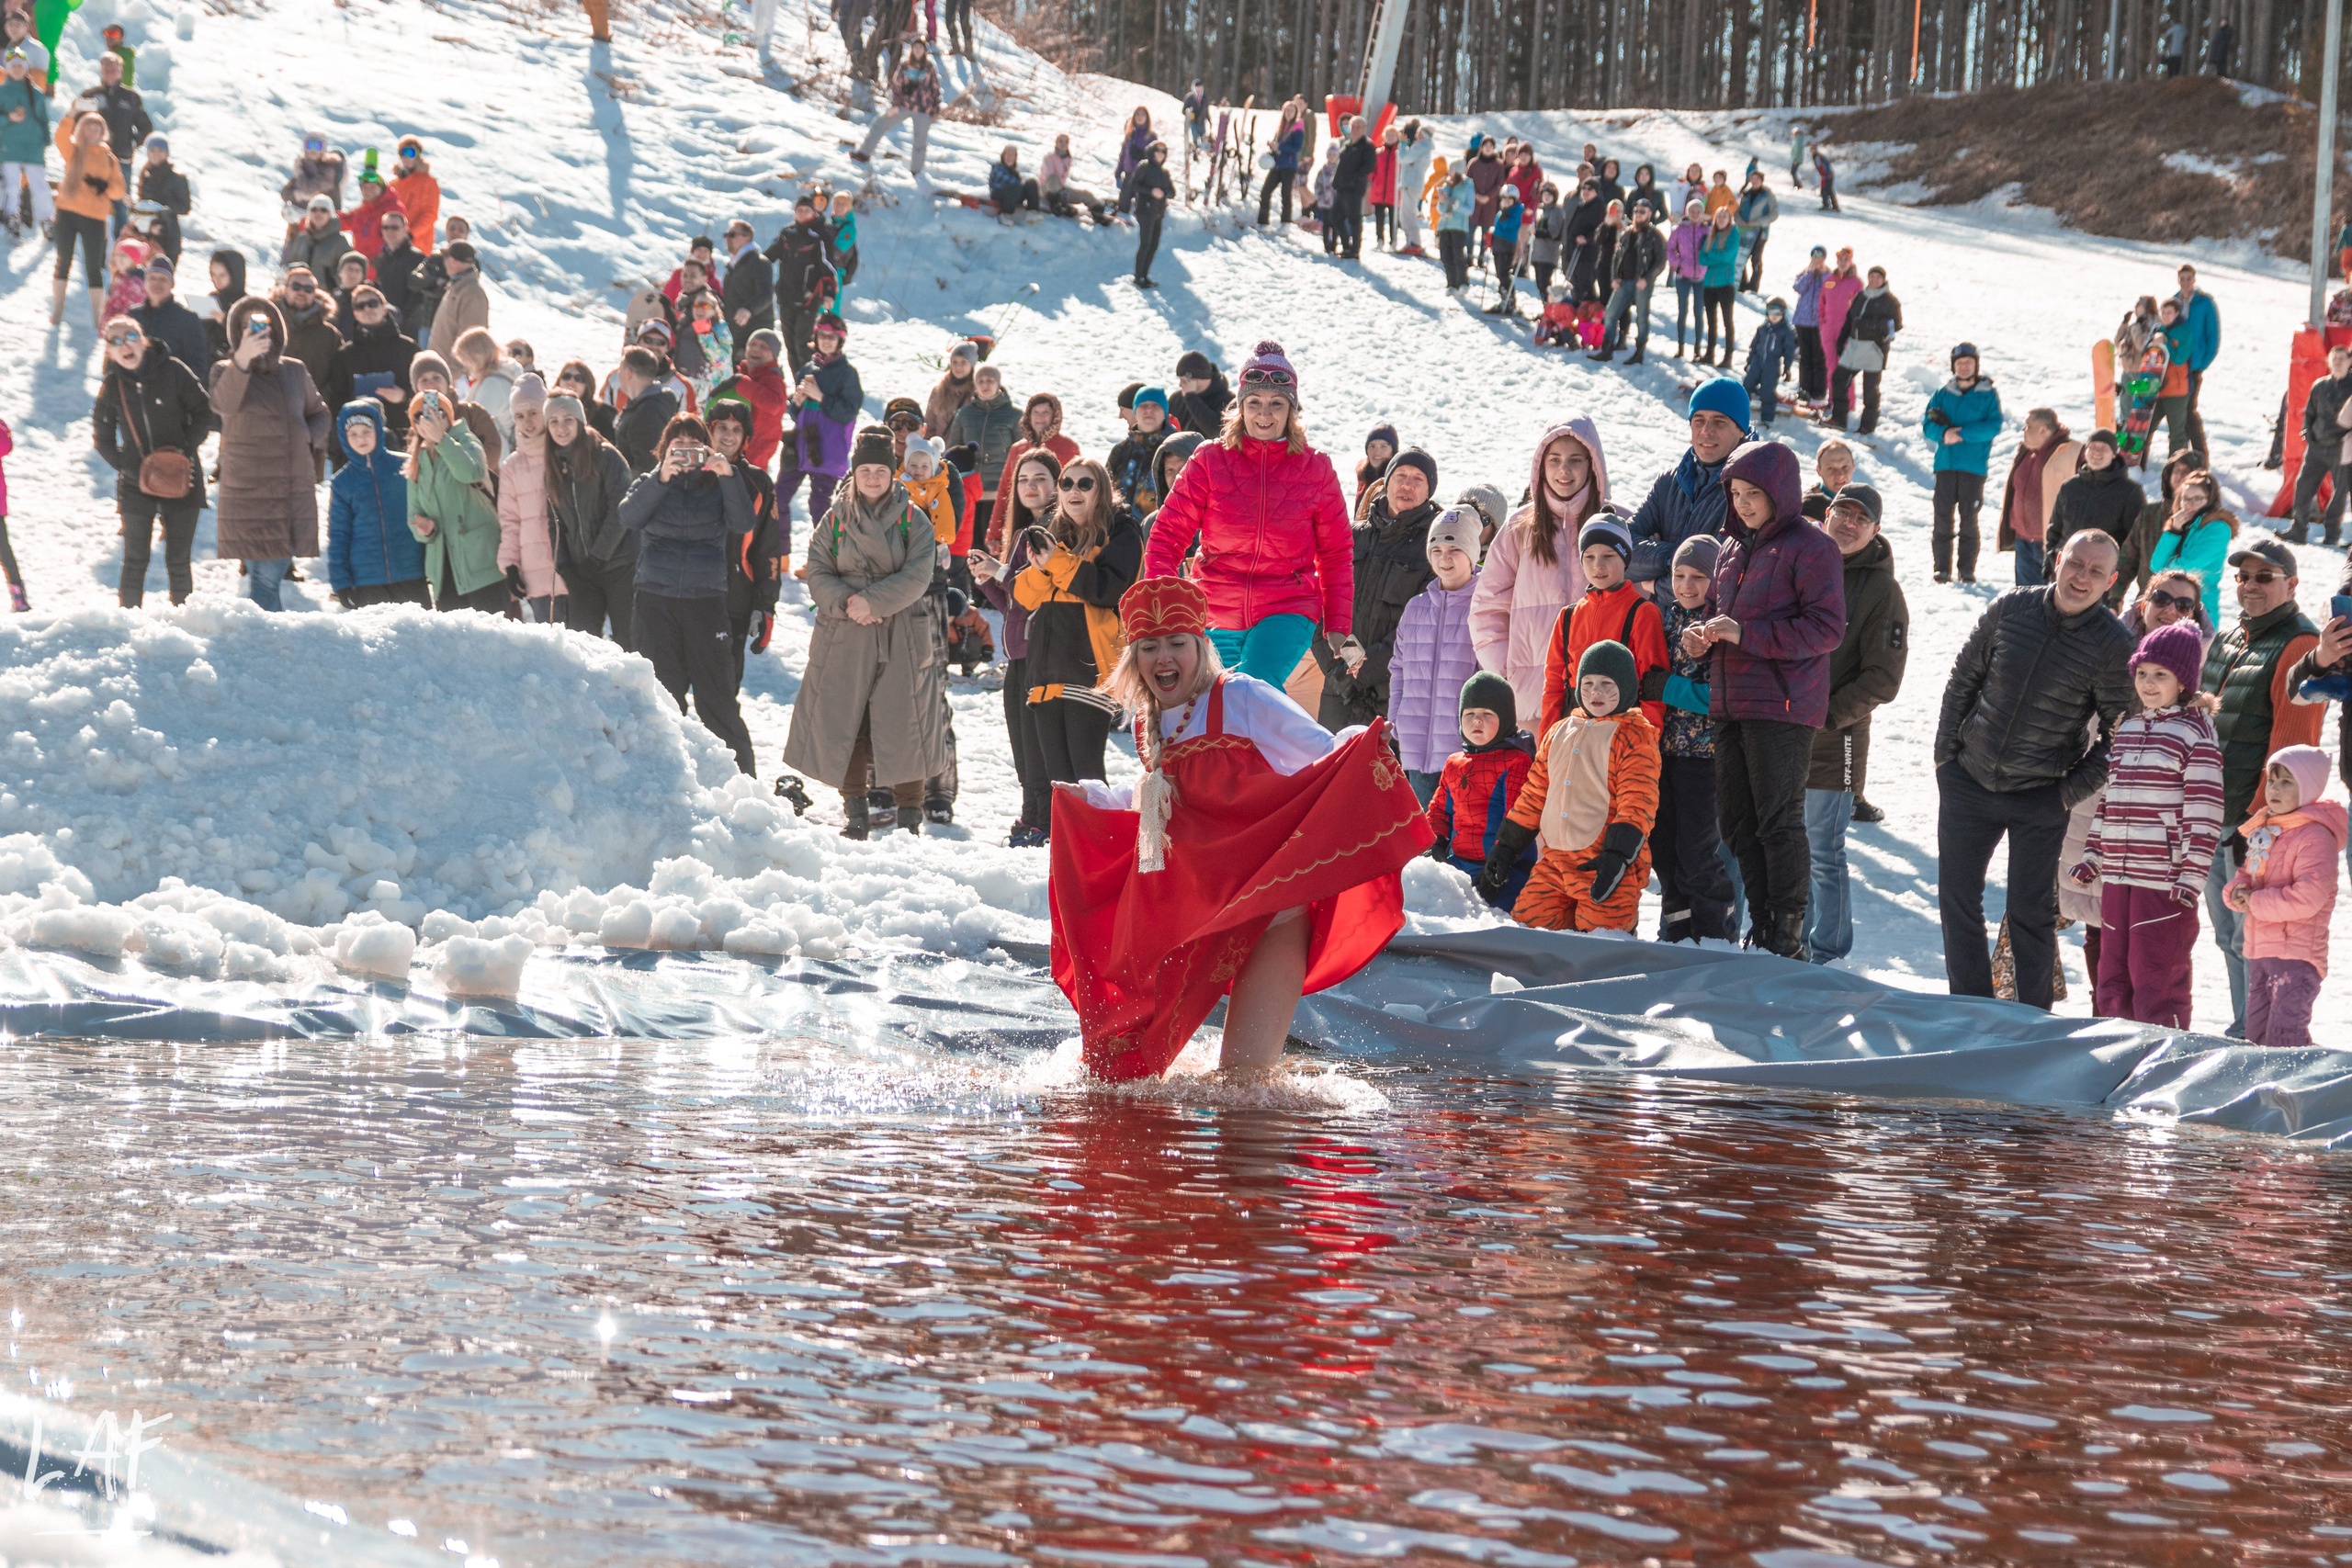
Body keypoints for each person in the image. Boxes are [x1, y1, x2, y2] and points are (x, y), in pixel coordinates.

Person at [1047, 574, 1431, 1083]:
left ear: (1200, 646)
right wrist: (1094, 799)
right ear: (1134, 659)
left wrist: (1361, 743)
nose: (1164, 658)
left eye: (1177, 644)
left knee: (1244, 1085)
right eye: (1150, 647)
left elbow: (1322, 755)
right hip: (1206, 917)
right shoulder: (1149, 723)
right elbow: (1161, 799)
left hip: (1271, 911)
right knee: (1125, 1071)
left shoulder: (1243, 697)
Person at [1936, 531, 2136, 1009]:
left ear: (2110, 581)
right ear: (2057, 560)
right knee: (1957, 901)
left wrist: (2065, 794)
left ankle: (2032, 1023)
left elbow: (2119, 736)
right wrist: (1947, 757)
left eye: (2095, 571)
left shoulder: (2114, 644)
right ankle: (1970, 1008)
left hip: (2042, 795)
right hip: (1970, 779)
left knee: (2029, 912)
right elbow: (1964, 679)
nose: (2081, 577)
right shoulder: (2011, 608)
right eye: (2075, 563)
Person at [1680, 440, 1846, 957]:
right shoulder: (1730, 549)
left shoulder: (1812, 546)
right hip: (1731, 702)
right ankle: (1765, 922)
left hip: (1784, 705)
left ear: (1781, 492)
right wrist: (1702, 637)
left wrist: (1743, 634)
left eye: (1754, 493)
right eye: (1735, 492)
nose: (1744, 503)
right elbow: (1717, 615)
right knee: (1734, 821)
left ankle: (1787, 933)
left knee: (1777, 819)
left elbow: (1825, 630)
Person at [1139, 341, 1351, 686]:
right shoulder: (1210, 460)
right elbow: (1167, 535)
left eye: (1276, 404)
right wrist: (1165, 600)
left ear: (1291, 411)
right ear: (1240, 407)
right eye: (1254, 403)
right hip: (1214, 606)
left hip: (1287, 605)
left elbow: (1336, 552)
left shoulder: (1316, 469)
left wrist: (1339, 623)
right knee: (1217, 704)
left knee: (1255, 685)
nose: (1264, 414)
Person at [786, 426, 952, 835]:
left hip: (899, 629)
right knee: (848, 721)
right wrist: (847, 602)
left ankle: (910, 818)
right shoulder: (836, 518)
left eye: (881, 470)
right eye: (866, 470)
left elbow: (919, 574)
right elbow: (818, 567)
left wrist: (872, 602)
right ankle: (855, 814)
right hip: (845, 629)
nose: (874, 477)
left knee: (906, 720)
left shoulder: (913, 519)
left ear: (893, 474)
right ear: (855, 473)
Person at [2064, 620, 2223, 1029]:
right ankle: (2117, 1054)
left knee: (2156, 977)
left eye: (2161, 675)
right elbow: (2109, 803)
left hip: (2163, 881)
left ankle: (2162, 1060)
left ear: (2184, 680)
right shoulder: (2129, 729)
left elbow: (2204, 810)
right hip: (2118, 875)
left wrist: (2191, 876)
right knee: (2112, 975)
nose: (2149, 684)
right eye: (2142, 673)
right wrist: (2094, 854)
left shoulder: (2194, 733)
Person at [2198, 536, 2324, 1035]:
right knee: (2228, 935)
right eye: (2243, 577)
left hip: (2250, 824)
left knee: (2255, 938)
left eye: (2264, 577)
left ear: (2291, 585)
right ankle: (2244, 1025)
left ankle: (2261, 1036)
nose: (2250, 586)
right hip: (2211, 812)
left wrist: (2258, 826)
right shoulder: (2232, 637)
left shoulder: (2299, 644)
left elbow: (2291, 749)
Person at [1480, 639, 1659, 932]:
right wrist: (1506, 846)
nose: (1595, 692)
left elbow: (1637, 801)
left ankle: (1617, 948)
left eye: (1606, 683)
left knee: (1602, 938)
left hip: (1605, 864)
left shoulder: (1634, 737)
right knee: (1529, 925)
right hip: (1554, 864)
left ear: (1626, 686)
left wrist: (1617, 856)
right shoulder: (1560, 731)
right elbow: (1534, 795)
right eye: (1587, 682)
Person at [616, 416, 760, 775]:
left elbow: (744, 523)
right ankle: (661, 778)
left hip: (705, 601)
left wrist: (727, 476)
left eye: (693, 447)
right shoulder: (650, 481)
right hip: (654, 600)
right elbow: (629, 517)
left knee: (718, 698)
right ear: (664, 451)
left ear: (706, 450)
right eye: (676, 447)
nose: (685, 455)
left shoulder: (719, 484)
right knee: (662, 697)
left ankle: (745, 784)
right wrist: (661, 478)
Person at [1803, 484, 1907, 964]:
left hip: (1835, 740)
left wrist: (1823, 715)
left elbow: (1882, 680)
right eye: (1842, 513)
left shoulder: (1882, 590)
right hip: (1782, 732)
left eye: (1860, 519)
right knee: (1788, 844)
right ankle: (1791, 945)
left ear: (1875, 531)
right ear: (1826, 514)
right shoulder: (1802, 565)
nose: (1848, 524)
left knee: (1824, 850)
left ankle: (1828, 952)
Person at [1011, 455, 1140, 796]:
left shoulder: (1122, 530)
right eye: (1066, 483)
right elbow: (1024, 596)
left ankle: (1104, 844)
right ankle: (1069, 847)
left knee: (1087, 775)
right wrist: (1042, 565)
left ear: (1103, 490)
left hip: (1090, 669)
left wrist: (1057, 561)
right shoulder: (1056, 535)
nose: (1074, 490)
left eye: (1085, 483)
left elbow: (1107, 589)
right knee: (1061, 782)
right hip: (1046, 672)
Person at [1471, 418, 1606, 719]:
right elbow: (1486, 609)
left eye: (1575, 460)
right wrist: (1508, 675)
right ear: (1540, 465)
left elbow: (1641, 606)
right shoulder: (1519, 527)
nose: (1564, 470)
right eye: (1554, 460)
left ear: (1593, 464)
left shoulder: (1614, 521)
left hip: (1604, 701)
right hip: (1533, 704)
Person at [210, 296, 328, 611]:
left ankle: (263, 643)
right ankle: (266, 644)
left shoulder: (294, 371)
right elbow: (224, 406)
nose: (257, 331)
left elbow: (320, 413)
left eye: (263, 324)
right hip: (249, 493)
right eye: (248, 326)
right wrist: (242, 361)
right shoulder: (225, 370)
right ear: (237, 331)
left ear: (277, 329)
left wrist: (307, 439)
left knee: (268, 579)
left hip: (289, 490)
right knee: (263, 579)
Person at [2224, 745, 2342, 1047]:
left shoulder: (2316, 837)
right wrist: (2237, 892)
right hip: (2262, 949)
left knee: (2285, 1034)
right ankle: (2262, 1093)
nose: (2274, 789)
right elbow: (2248, 874)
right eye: (2272, 781)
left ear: (2308, 789)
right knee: (2257, 1034)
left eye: (2286, 782)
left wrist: (2256, 902)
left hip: (2296, 955)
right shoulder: (2267, 829)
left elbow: (2308, 897)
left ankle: (2296, 1093)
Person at [1317, 448, 1442, 729]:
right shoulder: (1352, 535)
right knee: (1330, 768)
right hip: (1338, 686)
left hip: (1394, 692)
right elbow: (1322, 601)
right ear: (1387, 482)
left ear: (1429, 490)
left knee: (1383, 772)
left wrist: (1364, 668)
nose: (1407, 485)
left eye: (1418, 479)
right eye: (1400, 476)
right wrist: (1345, 667)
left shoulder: (1433, 548)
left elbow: (1421, 623)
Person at [93, 315, 209, 609]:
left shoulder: (174, 370)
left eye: (130, 336)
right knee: (134, 562)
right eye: (115, 341)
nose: (124, 345)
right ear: (109, 350)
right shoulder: (113, 384)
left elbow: (204, 412)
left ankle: (184, 625)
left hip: (184, 478)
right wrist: (128, 467)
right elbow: (102, 436)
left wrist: (183, 452)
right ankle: (128, 628)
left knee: (179, 561)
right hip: (135, 486)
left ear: (143, 340)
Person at [974, 449, 1060, 843]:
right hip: (1018, 656)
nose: (1031, 486)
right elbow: (1012, 604)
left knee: (1040, 749)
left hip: (1044, 656)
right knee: (1024, 748)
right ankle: (1030, 817)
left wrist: (1000, 571)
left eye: (1040, 478)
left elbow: (1037, 593)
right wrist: (987, 579)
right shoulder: (1025, 532)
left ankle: (1043, 823)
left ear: (1057, 484)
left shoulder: (1054, 530)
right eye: (1024, 479)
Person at [1652, 535, 1735, 942]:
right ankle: (1677, 929)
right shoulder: (1664, 619)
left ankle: (1716, 934)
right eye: (1679, 575)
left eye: (1699, 577)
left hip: (1705, 755)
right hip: (1661, 753)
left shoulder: (1722, 626)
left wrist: (1665, 688)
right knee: (1663, 848)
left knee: (1698, 852)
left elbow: (1722, 697)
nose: (1687, 585)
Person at [1540, 514, 1668, 735]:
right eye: (1589, 557)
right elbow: (1553, 684)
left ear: (1625, 559)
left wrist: (1647, 739)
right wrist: (1547, 740)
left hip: (1622, 731)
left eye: (1608, 555)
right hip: (1571, 729)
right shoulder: (1568, 616)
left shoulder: (1643, 612)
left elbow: (1653, 682)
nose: (1598, 565)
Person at [1392, 506, 1484, 803]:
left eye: (1455, 549)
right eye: (1437, 549)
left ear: (1472, 554)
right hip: (1416, 750)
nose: (1445, 558)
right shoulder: (1415, 608)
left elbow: (1490, 676)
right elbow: (1398, 669)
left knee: (1460, 838)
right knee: (1424, 840)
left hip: (1463, 750)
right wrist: (1396, 719)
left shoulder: (1484, 608)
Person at [544, 390, 637, 647]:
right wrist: (563, 565)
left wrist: (598, 555)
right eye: (554, 421)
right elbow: (554, 522)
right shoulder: (552, 466)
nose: (561, 428)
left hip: (619, 564)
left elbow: (620, 510)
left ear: (580, 422)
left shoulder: (606, 456)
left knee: (628, 640)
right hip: (581, 569)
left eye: (568, 420)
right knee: (582, 642)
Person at [403, 388, 504, 615]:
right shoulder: (417, 461)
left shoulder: (467, 440)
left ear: (448, 417)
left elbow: (471, 473)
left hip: (482, 566)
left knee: (493, 642)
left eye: (437, 413)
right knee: (455, 646)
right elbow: (413, 516)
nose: (429, 421)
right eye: (421, 417)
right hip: (444, 572)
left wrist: (443, 441)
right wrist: (425, 531)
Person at [1629, 377, 1745, 566]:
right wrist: (1677, 557)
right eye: (1699, 420)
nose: (1707, 430)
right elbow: (1623, 552)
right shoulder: (1668, 483)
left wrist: (1655, 580)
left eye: (1719, 421)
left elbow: (1720, 575)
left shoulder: (1748, 491)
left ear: (1741, 429)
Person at [325, 400, 428, 610]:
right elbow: (338, 536)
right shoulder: (342, 483)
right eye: (353, 434)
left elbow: (426, 511)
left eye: (366, 431)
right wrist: (341, 583)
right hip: (367, 580)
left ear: (378, 430)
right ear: (344, 438)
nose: (360, 438)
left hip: (411, 573)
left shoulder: (405, 467)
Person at [1922, 343, 2003, 585]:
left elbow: (1993, 426)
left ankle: (1966, 570)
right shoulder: (1942, 393)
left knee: (1969, 519)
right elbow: (1928, 424)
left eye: (1968, 362)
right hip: (1945, 464)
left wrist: (1963, 433)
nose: (1964, 367)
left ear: (1976, 365)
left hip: (1973, 467)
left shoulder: (1988, 394)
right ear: (1953, 366)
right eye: (1960, 363)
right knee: (1942, 517)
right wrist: (1943, 434)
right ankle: (1942, 569)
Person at [777, 313, 863, 527]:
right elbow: (797, 415)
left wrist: (822, 398)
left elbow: (849, 412)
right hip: (800, 444)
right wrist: (796, 403)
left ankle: (823, 556)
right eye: (822, 335)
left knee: (819, 504)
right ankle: (780, 554)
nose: (826, 340)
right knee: (779, 496)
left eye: (831, 337)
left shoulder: (847, 374)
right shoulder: (807, 369)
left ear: (840, 341)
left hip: (828, 448)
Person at [494, 375, 565, 622]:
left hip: (570, 570)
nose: (528, 422)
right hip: (536, 575)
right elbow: (510, 521)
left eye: (533, 413)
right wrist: (511, 566)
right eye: (520, 416)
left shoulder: (563, 455)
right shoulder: (512, 466)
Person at [51, 111, 121, 330]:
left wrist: (105, 187)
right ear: (81, 129)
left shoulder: (109, 158)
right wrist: (71, 115)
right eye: (88, 128)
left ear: (103, 132)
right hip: (67, 212)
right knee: (63, 261)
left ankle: (97, 316)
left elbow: (119, 189)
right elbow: (60, 137)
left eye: (97, 129)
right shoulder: (74, 150)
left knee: (93, 266)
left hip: (94, 217)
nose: (92, 133)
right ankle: (58, 307)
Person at [1997, 409, 2082, 586]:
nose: (2023, 431)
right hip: (2023, 541)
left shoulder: (2073, 452)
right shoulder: (2026, 451)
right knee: (2025, 600)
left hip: (2053, 543)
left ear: (2043, 429)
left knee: (2051, 602)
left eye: (2028, 426)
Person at [2144, 468, 2235, 626]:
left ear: (2209, 500)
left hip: (2200, 609)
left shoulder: (2218, 528)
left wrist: (2166, 569)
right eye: (2186, 499)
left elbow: (2188, 567)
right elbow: (2155, 565)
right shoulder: (2183, 527)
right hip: (2171, 607)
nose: (2190, 505)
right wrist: (2173, 531)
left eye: (2197, 499)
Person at [948, 359, 1021, 547]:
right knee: (969, 543)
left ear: (998, 384)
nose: (985, 385)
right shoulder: (965, 414)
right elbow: (953, 449)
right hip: (968, 490)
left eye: (990, 381)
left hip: (998, 491)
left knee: (993, 544)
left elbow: (1022, 451)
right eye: (981, 381)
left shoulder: (1014, 415)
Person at [2290, 343, 2352, 547]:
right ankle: (2298, 529)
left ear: (2349, 362)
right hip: (2316, 446)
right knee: (2304, 486)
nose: (2338, 362)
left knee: (2339, 492)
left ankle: (2332, 533)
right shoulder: (2320, 385)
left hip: (2341, 447)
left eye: (2342, 358)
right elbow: (2310, 413)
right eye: (2334, 358)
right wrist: (2307, 432)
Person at [852, 38, 941, 177]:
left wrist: (935, 110)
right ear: (912, 49)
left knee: (920, 142)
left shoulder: (929, 68)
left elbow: (935, 89)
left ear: (924, 51)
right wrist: (895, 105)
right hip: (904, 106)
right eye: (915, 47)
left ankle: (916, 171)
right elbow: (896, 86)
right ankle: (864, 154)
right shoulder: (904, 66)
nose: (918, 50)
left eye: (921, 48)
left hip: (924, 109)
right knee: (879, 123)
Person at [1828, 265, 1900, 435]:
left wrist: (1873, 325)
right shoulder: (1861, 295)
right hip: (1853, 346)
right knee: (1839, 378)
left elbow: (1895, 326)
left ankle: (1867, 426)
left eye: (1878, 277)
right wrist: (1842, 340)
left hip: (1873, 350)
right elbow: (1850, 319)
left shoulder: (1890, 301)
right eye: (1872, 276)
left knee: (1870, 390)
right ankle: (1839, 418)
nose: (1874, 280)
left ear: (1884, 280)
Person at [1595, 200, 1664, 366]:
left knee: (1641, 317)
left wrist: (1647, 279)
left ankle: (1639, 352)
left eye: (1642, 211)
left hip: (1641, 283)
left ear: (1649, 214)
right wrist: (1614, 277)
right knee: (1610, 313)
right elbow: (1616, 257)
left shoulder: (1655, 235)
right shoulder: (1626, 233)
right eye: (1636, 211)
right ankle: (1607, 349)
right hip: (1624, 281)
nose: (1638, 214)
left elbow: (1661, 262)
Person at [128, 254, 209, 373]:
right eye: (152, 278)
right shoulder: (133, 316)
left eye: (163, 279)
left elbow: (198, 366)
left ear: (172, 284)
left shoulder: (187, 319)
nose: (157, 283)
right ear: (145, 282)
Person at [2169, 264, 2219, 453]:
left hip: (2194, 365)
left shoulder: (2205, 303)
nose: (2186, 282)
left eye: (2189, 278)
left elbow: (2213, 337)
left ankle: (2200, 453)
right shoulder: (2174, 302)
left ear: (2194, 280)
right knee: (2178, 412)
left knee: (2189, 411)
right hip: (2176, 365)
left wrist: (2202, 363)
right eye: (2182, 278)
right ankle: (2182, 452)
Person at [1122, 139, 1173, 288]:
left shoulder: (1164, 173)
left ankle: (1145, 275)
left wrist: (1163, 193)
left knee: (1154, 245)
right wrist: (1151, 191)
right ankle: (1138, 277)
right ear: (1152, 152)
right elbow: (1134, 185)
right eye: (1158, 150)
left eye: (1163, 152)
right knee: (1145, 244)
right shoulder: (1144, 166)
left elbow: (1172, 191)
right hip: (1145, 210)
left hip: (1158, 211)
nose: (1160, 154)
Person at [1741, 297, 1797, 424]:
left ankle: (1767, 418)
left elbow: (1789, 351)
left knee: (1768, 391)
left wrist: (1787, 368)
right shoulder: (1762, 329)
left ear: (1783, 314)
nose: (1774, 316)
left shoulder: (1786, 332)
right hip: (1757, 362)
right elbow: (1754, 346)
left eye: (1778, 313)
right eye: (1771, 313)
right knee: (1747, 385)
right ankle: (1740, 414)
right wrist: (1749, 361)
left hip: (1772, 364)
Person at [428, 240, 488, 359]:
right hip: (443, 370)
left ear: (454, 261)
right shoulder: (456, 287)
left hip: (456, 374)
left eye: (445, 257)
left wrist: (456, 373)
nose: (443, 262)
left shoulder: (472, 294)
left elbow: (471, 342)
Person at [1695, 208, 1738, 367]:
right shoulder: (1711, 235)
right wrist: (1716, 257)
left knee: (1727, 321)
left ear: (1729, 219)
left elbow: (1727, 257)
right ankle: (1710, 354)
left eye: (1724, 216)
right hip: (1709, 284)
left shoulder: (1733, 234)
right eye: (1718, 216)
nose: (1721, 219)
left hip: (1725, 283)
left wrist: (1711, 255)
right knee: (1711, 321)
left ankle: (1728, 356)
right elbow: (1701, 259)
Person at [1666, 199, 1706, 358]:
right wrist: (1678, 264)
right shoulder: (1679, 230)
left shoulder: (1707, 231)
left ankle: (1697, 349)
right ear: (1687, 213)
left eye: (1698, 211)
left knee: (1698, 312)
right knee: (1682, 311)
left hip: (1701, 277)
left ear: (1702, 214)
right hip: (1683, 276)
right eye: (1692, 211)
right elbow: (1670, 250)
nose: (1695, 214)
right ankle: (1681, 346)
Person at [1330, 116, 1374, 261]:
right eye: (1354, 126)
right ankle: (1346, 246)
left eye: (1359, 126)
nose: (1356, 129)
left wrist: (1353, 178)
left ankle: (1355, 250)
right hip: (1341, 188)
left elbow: (1368, 167)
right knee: (1336, 218)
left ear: (1364, 129)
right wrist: (1336, 182)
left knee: (1354, 219)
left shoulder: (1367, 146)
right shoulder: (1348, 144)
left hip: (1354, 189)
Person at [1039, 132, 1109, 224]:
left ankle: (1098, 213)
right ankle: (1057, 206)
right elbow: (1049, 176)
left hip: (1061, 190)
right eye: (1060, 141)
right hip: (1047, 191)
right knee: (1054, 178)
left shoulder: (1067, 159)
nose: (1063, 144)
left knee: (1085, 195)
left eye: (1066, 142)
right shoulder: (1049, 157)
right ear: (1056, 143)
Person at [1789, 245, 1829, 403]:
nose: (1817, 261)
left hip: (1819, 323)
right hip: (1802, 321)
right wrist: (1810, 272)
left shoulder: (1828, 276)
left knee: (1818, 357)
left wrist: (1822, 272)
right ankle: (1804, 388)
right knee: (1805, 357)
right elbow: (1798, 287)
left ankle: (1819, 390)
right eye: (1815, 257)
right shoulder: (1805, 274)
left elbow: (1830, 290)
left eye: (1820, 258)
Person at [388, 135, 439, 252]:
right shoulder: (393, 185)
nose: (406, 156)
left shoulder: (428, 182)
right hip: (392, 245)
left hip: (417, 246)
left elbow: (430, 214)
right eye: (402, 152)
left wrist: (410, 235)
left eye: (410, 152)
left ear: (418, 155)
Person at [1170, 349, 1231, 437]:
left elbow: (1216, 431)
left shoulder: (1228, 402)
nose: (1180, 385)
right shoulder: (1177, 399)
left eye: (1183, 381)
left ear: (1197, 379)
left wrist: (1191, 398)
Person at [926, 338, 979, 440]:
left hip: (965, 453)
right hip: (940, 452)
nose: (958, 367)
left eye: (963, 362)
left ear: (972, 365)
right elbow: (930, 426)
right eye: (955, 362)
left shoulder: (978, 393)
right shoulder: (939, 391)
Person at [1735, 169, 1777, 293]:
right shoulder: (1746, 195)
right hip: (1744, 230)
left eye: (1757, 179)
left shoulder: (1767, 195)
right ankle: (1742, 283)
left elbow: (1774, 213)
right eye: (1752, 179)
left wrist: (1759, 222)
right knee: (1741, 256)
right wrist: (1739, 220)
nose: (1754, 181)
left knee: (1756, 258)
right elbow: (1737, 211)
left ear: (1761, 181)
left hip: (1759, 232)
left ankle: (1753, 286)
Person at [1433, 161, 1473, 291]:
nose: (1449, 172)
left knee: (1458, 255)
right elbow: (1440, 209)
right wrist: (1441, 201)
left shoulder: (1467, 185)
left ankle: (1463, 282)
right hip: (1444, 225)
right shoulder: (1446, 186)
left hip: (1459, 226)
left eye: (1452, 169)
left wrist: (1458, 205)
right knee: (1445, 255)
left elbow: (1470, 209)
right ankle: (1451, 283)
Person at [1801, 439, 1856, 522]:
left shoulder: (1863, 502)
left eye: (1845, 467)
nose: (1840, 475)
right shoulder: (1808, 508)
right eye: (1831, 468)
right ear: (1819, 471)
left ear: (1853, 466)